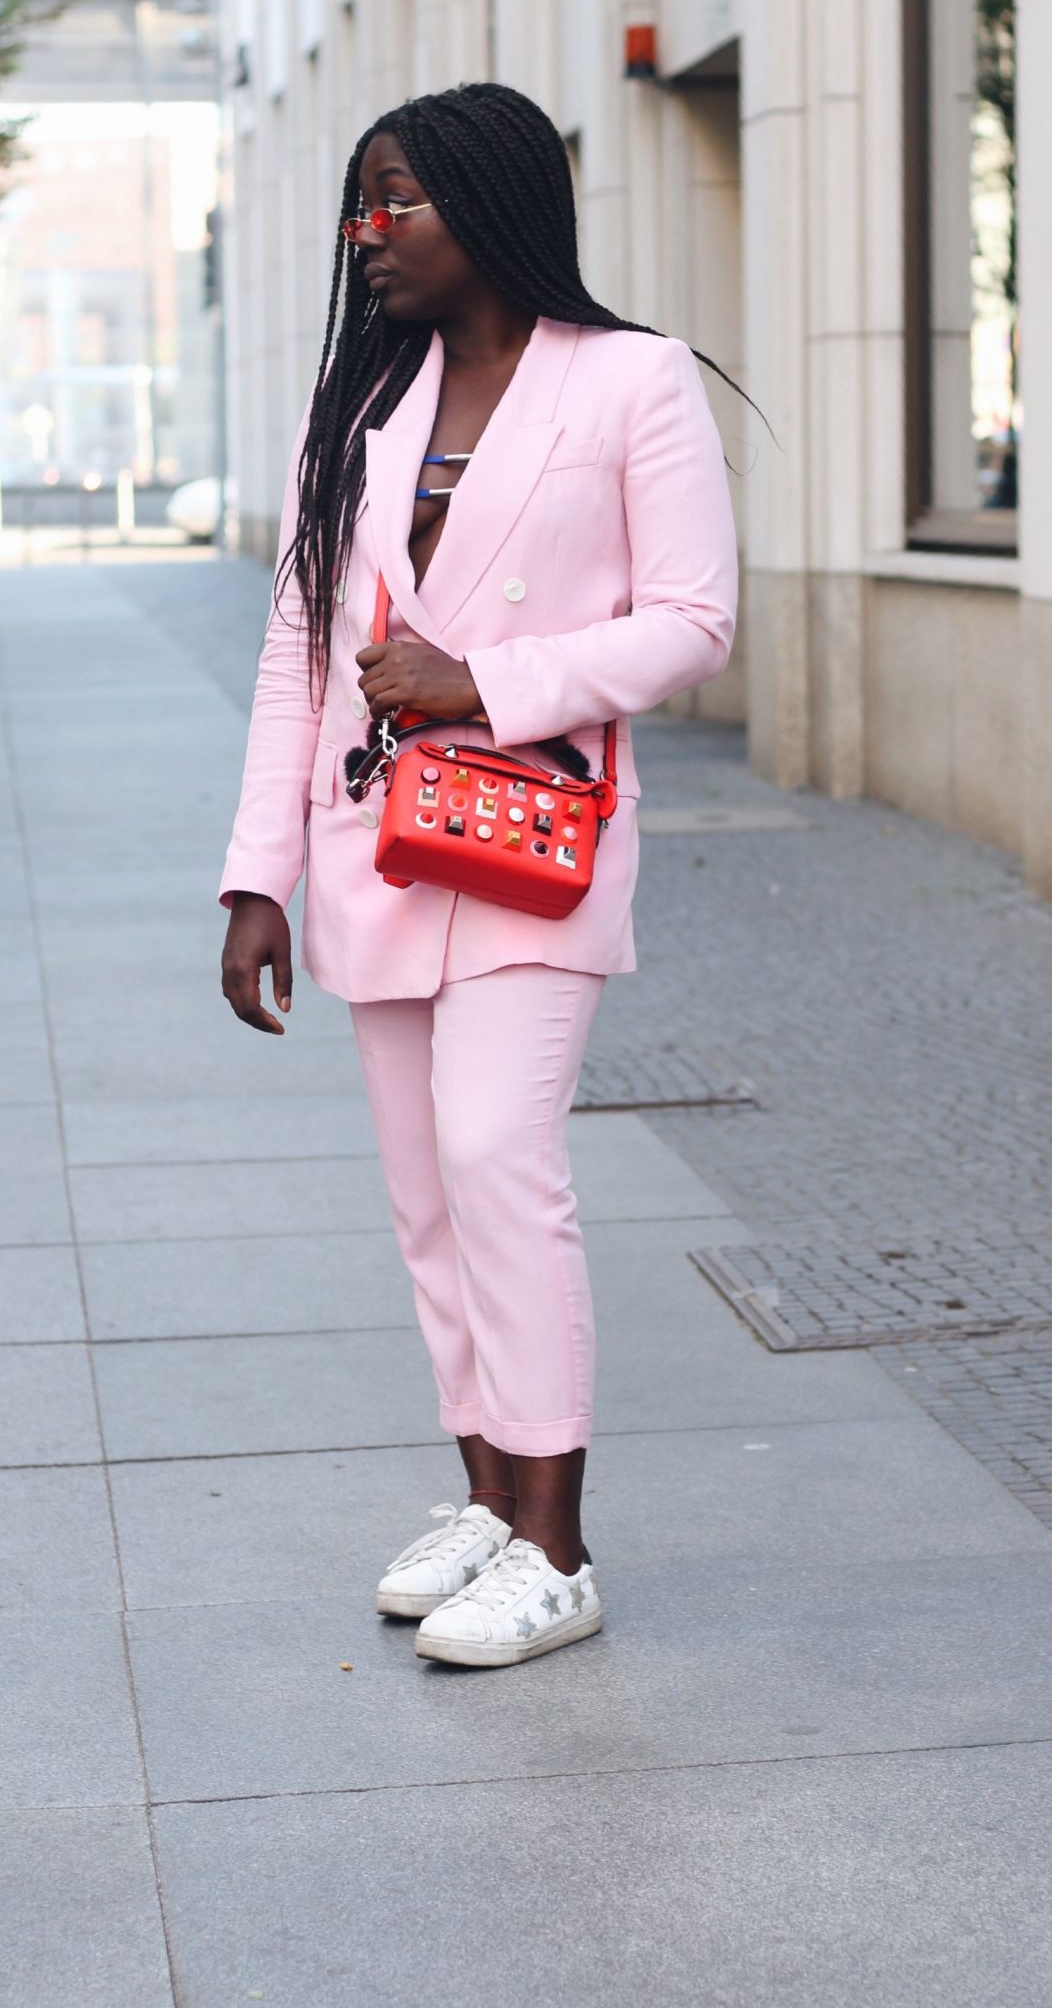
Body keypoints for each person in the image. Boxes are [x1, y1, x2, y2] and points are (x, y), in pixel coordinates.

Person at [219, 81, 740, 1668]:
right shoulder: (368, 411)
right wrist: (256, 879)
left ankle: (561, 1548)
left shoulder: (633, 384)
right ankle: (491, 1503)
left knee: (500, 1160)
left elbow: (694, 622)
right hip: (372, 847)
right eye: (356, 208)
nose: (366, 238)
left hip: (531, 845)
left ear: (493, 205)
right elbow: (300, 656)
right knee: (428, 1198)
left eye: (398, 205)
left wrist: (490, 680)